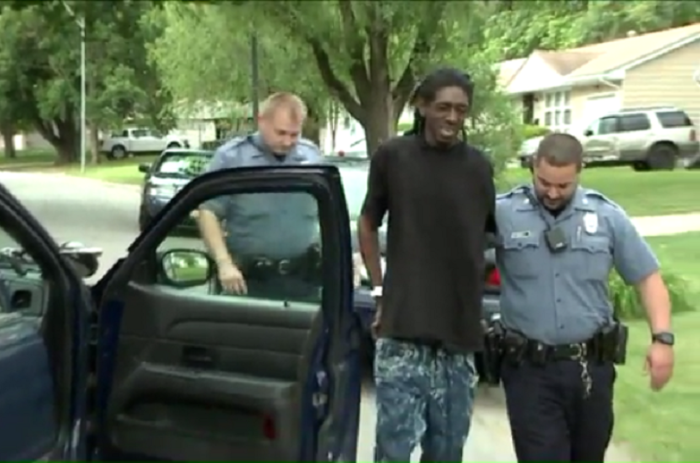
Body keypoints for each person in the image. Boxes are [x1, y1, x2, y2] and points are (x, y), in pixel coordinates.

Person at [495, 133, 675, 462]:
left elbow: (648, 278)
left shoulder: (606, 217)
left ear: (580, 171)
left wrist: (662, 339)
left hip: (591, 369)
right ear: (534, 167)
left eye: (563, 186)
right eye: (544, 182)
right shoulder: (502, 213)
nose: (551, 192)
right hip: (529, 371)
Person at [357, 68, 497, 462]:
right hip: (403, 331)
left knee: (447, 451)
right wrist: (380, 290)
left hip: (458, 337)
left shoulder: (478, 168)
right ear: (422, 106)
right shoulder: (394, 157)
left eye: (461, 110)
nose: (452, 118)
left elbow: (486, 239)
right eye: (443, 108)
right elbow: (367, 223)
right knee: (393, 450)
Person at [197, 92, 324, 301]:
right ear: (261, 121)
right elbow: (208, 212)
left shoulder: (312, 157)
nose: (287, 142)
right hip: (247, 279)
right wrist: (224, 263)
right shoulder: (232, 158)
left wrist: (349, 256)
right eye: (281, 133)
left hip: (304, 277)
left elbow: (329, 212)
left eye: (294, 134)